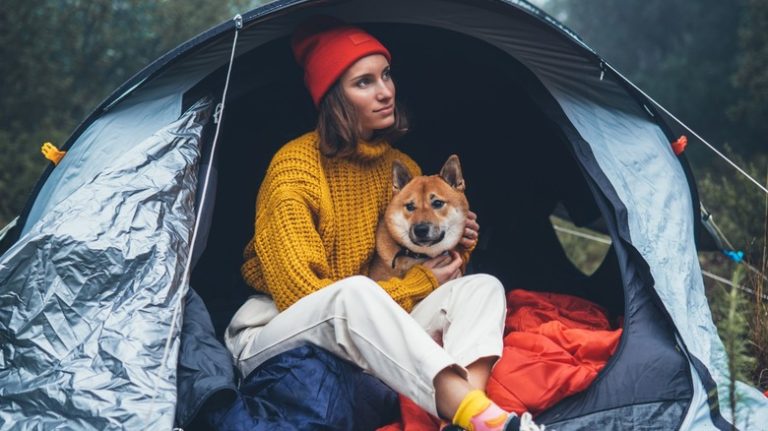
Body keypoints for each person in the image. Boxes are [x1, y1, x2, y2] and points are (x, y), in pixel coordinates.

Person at [225, 16, 543, 431]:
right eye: (364, 82)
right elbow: (304, 296)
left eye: (386, 75)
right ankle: (483, 418)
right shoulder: (295, 169)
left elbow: (413, 256)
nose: (385, 91)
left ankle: (465, 416)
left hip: (366, 319)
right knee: (352, 294)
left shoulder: (402, 169)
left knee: (482, 288)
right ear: (333, 97)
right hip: (276, 332)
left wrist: (457, 241)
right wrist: (419, 284)